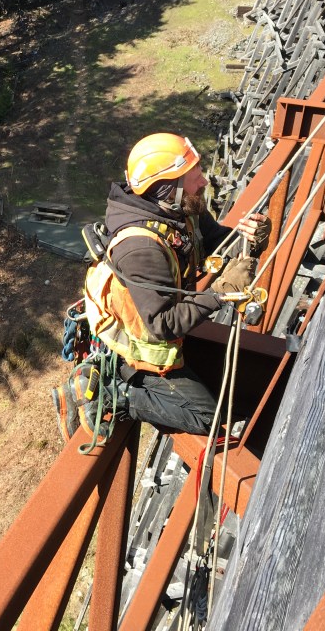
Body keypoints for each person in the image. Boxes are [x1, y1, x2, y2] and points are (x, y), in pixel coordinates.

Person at [52, 133, 270, 441]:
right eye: (195, 178)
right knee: (207, 417)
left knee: (242, 388)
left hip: (164, 322)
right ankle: (116, 391)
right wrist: (218, 295)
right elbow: (162, 325)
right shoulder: (141, 249)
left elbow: (216, 243)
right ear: (168, 188)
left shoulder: (180, 208)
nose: (205, 182)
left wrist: (249, 238)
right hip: (136, 352)